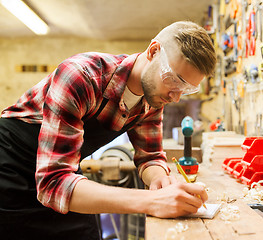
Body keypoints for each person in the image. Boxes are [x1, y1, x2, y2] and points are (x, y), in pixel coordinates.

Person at [0, 21, 216, 239]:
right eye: (173, 80)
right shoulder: (81, 76)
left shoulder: (153, 98)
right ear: (153, 51)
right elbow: (52, 184)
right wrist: (152, 202)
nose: (175, 97)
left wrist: (162, 181)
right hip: (11, 166)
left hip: (62, 170)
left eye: (186, 89)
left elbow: (150, 157)